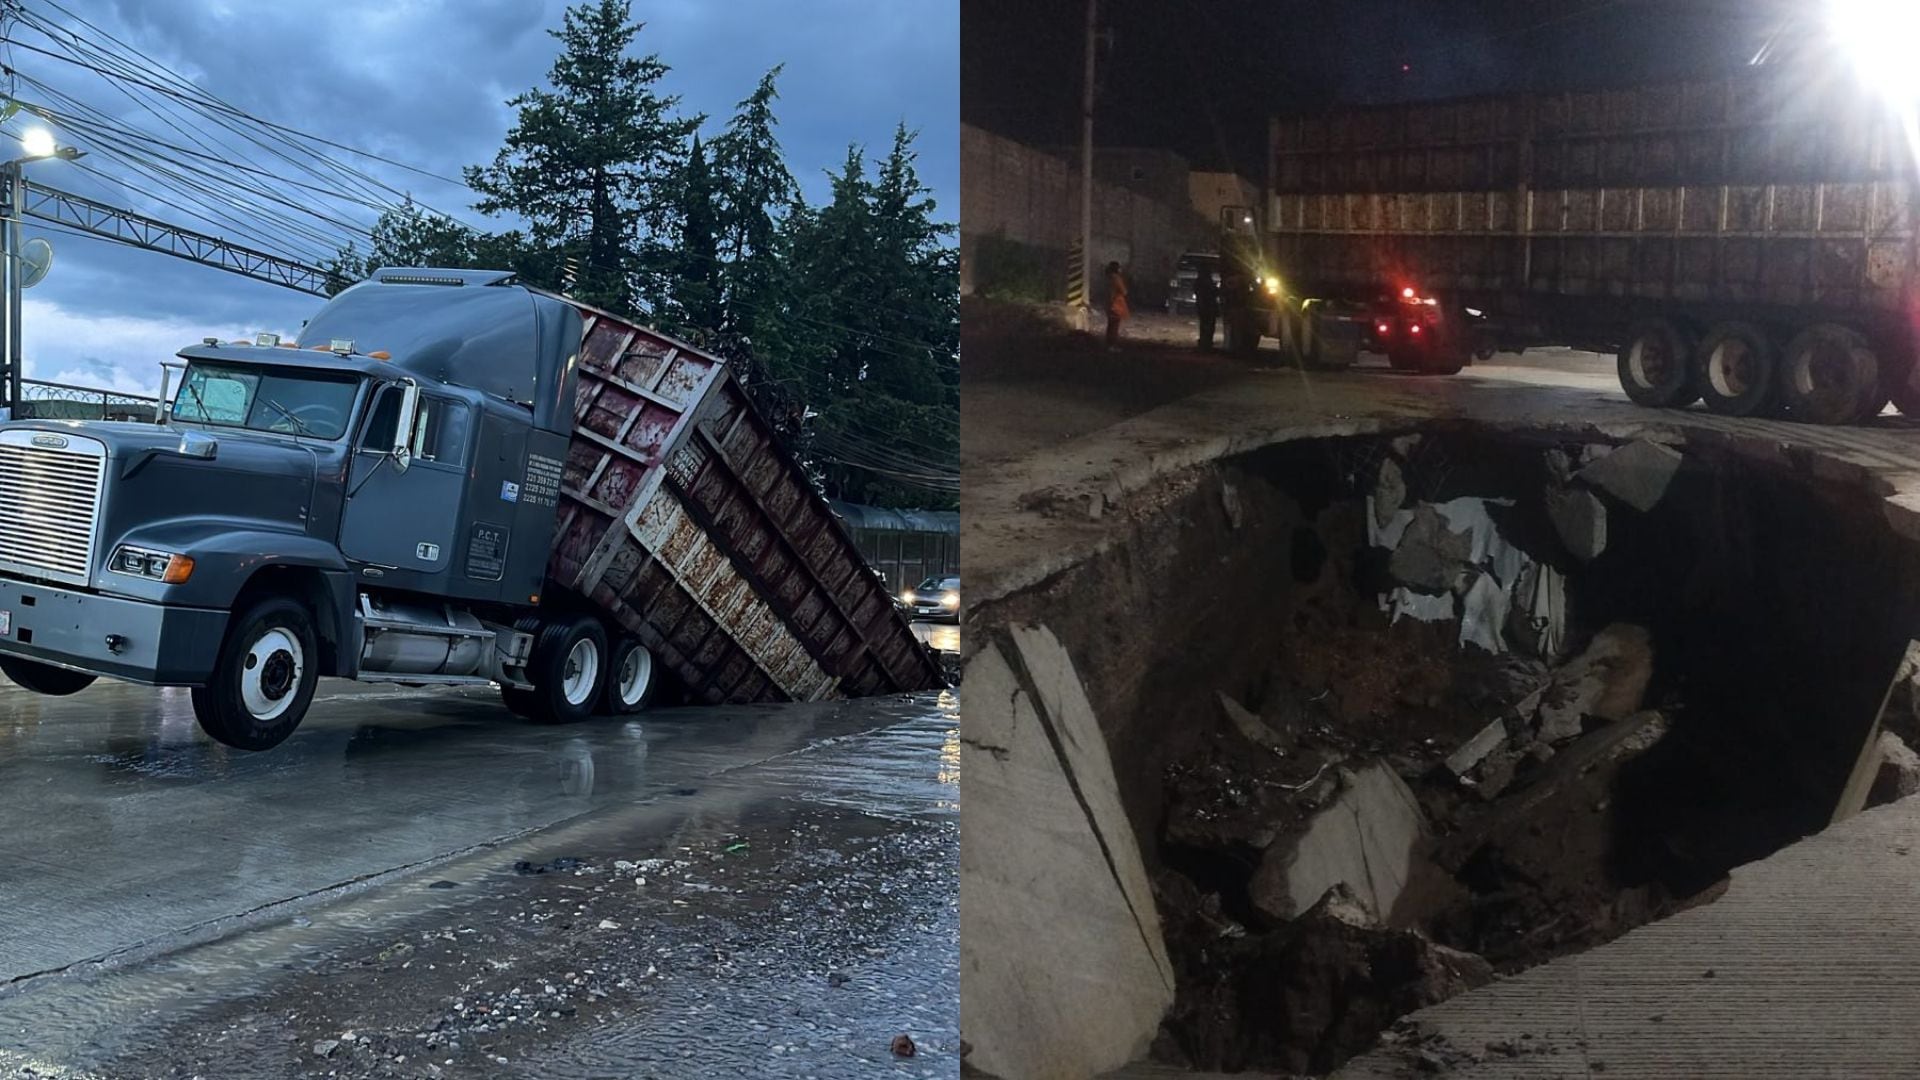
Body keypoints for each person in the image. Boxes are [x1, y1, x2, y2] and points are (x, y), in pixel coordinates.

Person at [1104, 261, 1129, 350]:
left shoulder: (1108, 278)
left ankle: (1108, 344)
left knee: (1110, 325)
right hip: (1116, 304)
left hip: (1109, 303)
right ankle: (1112, 345)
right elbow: (1124, 291)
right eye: (1119, 268)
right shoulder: (1117, 278)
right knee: (1114, 326)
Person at [1194, 268, 1219, 351]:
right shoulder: (1206, 282)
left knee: (1205, 325)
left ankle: (1205, 342)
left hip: (1205, 306)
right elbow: (1214, 292)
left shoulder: (1200, 282)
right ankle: (1206, 342)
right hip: (1207, 306)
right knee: (1208, 325)